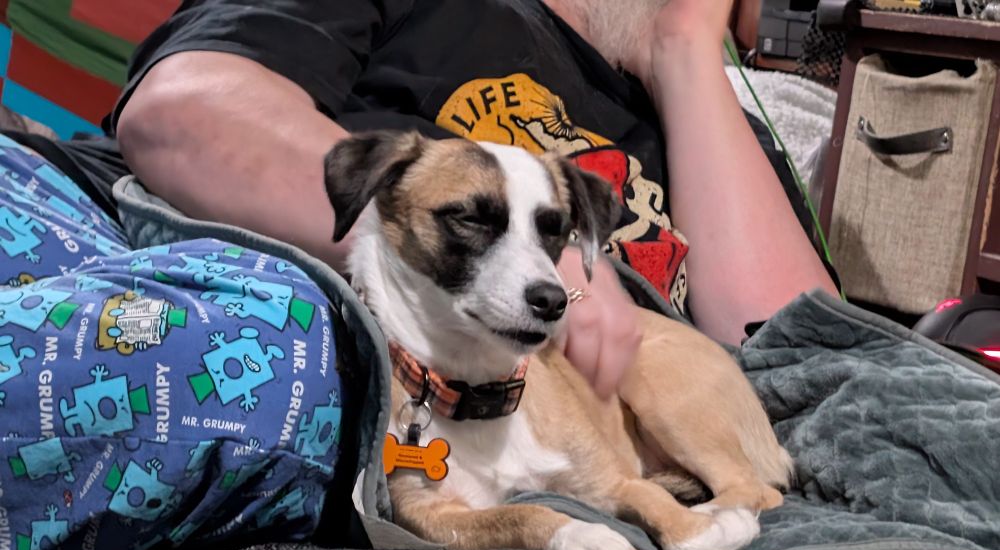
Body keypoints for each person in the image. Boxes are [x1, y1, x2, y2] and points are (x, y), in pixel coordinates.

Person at [0, 0, 837, 550]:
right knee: (234, 354)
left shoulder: (696, 111)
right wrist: (574, 273)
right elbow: (180, 114)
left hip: (468, 376)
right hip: (108, 213)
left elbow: (804, 336)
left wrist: (686, 46)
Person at [9, 0, 837, 398]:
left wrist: (683, 45)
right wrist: (539, 275)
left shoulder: (709, 136)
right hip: (166, 270)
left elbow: (807, 360)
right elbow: (186, 112)